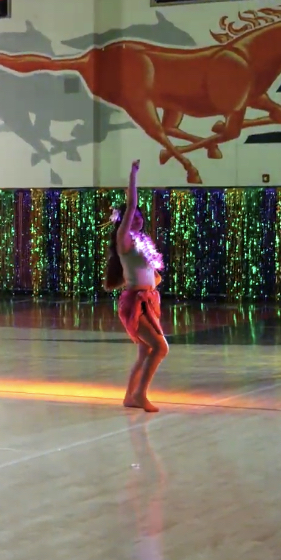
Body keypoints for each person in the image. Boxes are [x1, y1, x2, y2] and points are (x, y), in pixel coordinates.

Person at [104, 159, 167, 412]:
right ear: (124, 222)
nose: (137, 219)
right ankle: (141, 394)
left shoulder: (142, 241)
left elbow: (152, 272)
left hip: (148, 300)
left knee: (145, 352)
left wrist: (153, 284)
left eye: (140, 217)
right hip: (134, 303)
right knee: (160, 347)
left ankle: (130, 396)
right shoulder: (125, 241)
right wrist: (133, 174)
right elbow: (131, 204)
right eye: (133, 217)